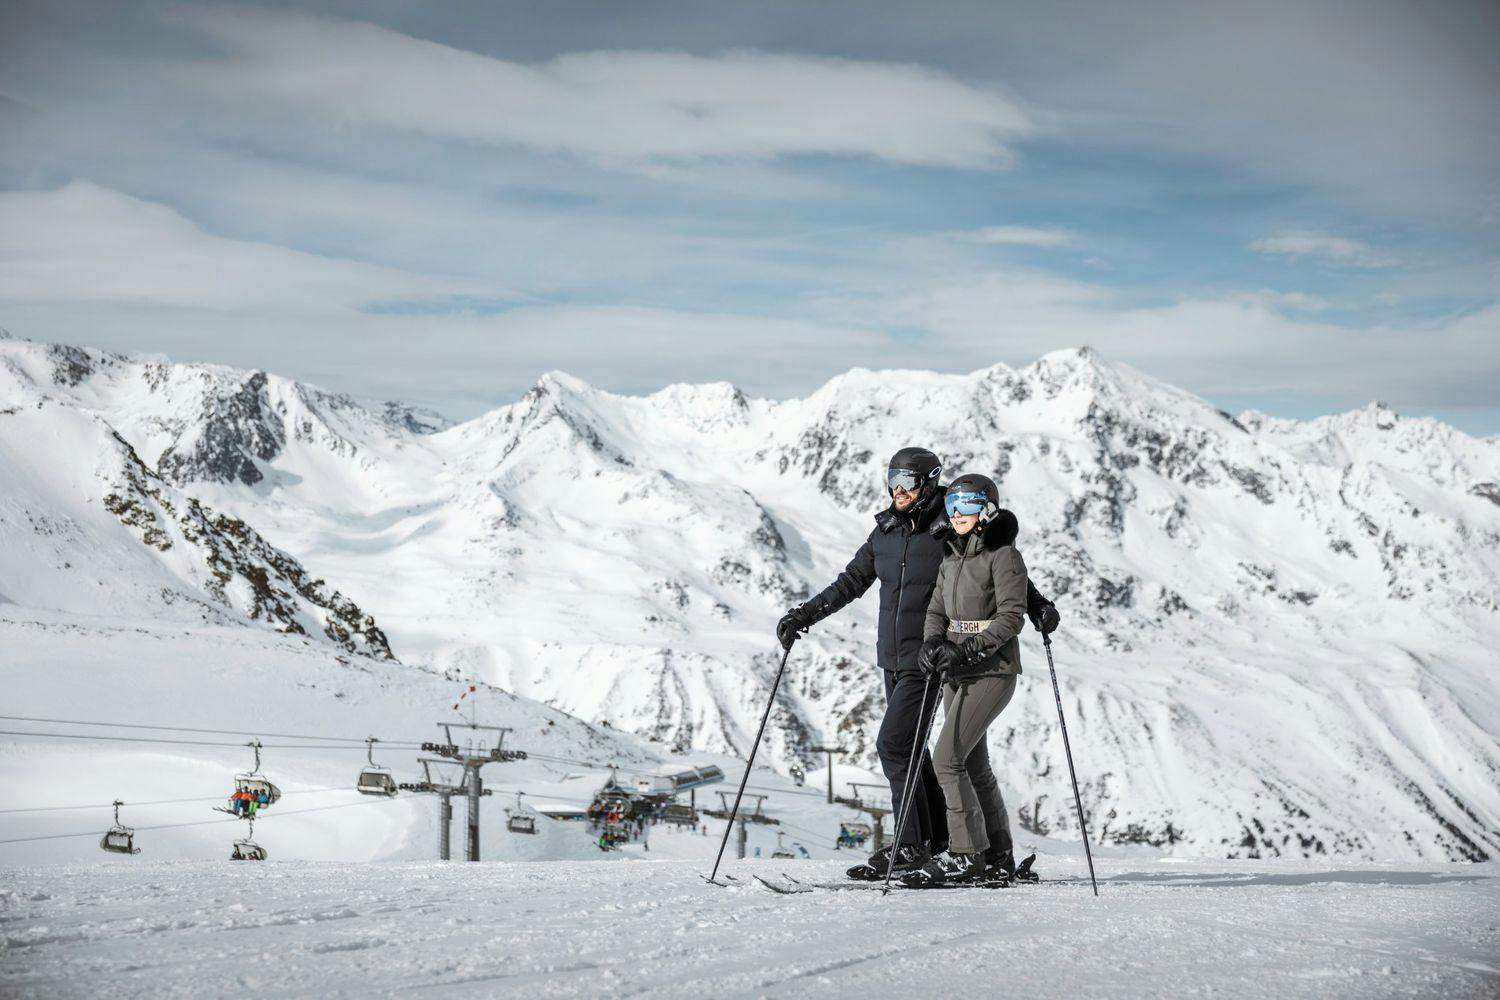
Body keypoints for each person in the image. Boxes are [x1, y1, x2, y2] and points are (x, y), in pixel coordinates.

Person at [777, 449, 1059, 881]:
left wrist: (1036, 605)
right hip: (893, 657)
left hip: (931, 659)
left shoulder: (948, 521)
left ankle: (911, 845)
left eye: (908, 479)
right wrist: (803, 616)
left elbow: (992, 559)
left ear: (929, 481)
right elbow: (851, 582)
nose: (899, 489)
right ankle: (940, 842)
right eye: (893, 479)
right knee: (915, 752)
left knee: (895, 745)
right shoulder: (885, 533)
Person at [901, 473, 1029, 887]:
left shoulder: (1002, 556)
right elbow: (937, 609)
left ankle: (965, 854)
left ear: (987, 509)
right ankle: (997, 852)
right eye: (953, 505)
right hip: (956, 669)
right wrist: (932, 643)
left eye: (969, 505)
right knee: (974, 764)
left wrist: (969, 647)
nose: (958, 513)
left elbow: (1012, 617)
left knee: (946, 759)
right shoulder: (952, 555)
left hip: (992, 670)